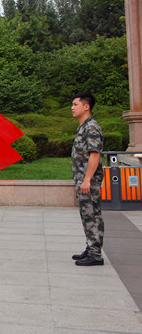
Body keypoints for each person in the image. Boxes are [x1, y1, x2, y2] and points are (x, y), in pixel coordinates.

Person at [70, 91, 105, 266]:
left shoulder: (91, 127)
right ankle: (91, 247)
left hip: (89, 181)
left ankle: (95, 254)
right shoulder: (83, 126)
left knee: (92, 215)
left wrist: (87, 180)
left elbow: (94, 155)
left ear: (86, 106)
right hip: (83, 180)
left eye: (75, 104)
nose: (72, 107)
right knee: (87, 215)